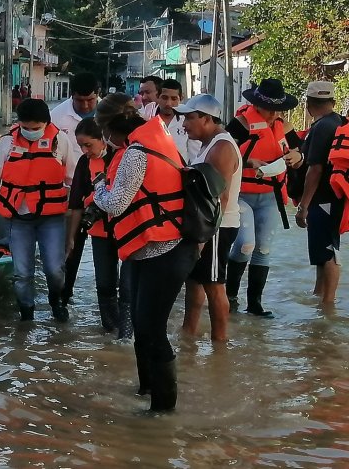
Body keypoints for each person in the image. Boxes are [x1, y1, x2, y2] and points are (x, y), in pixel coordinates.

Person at [93, 111, 197, 412]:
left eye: (106, 134)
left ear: (114, 132)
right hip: (150, 248)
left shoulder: (136, 153)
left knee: (152, 329)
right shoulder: (161, 140)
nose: (105, 141)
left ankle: (163, 411)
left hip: (165, 250)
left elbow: (116, 202)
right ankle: (146, 390)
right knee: (142, 325)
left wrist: (98, 188)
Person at [0, 99, 74, 323]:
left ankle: (56, 301)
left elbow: (72, 176)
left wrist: (76, 206)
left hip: (51, 218)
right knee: (22, 273)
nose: (30, 132)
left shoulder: (60, 141)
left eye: (36, 128)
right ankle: (26, 315)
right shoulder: (8, 142)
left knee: (54, 269)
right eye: (26, 128)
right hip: (18, 217)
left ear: (46, 124)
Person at [224, 79, 304, 317]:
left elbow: (301, 154)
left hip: (270, 196)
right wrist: (248, 162)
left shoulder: (285, 126)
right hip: (242, 195)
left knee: (264, 248)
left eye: (277, 110)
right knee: (246, 244)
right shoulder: (239, 124)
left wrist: (295, 157)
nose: (272, 115)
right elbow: (222, 154)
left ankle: (255, 304)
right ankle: (229, 296)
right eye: (268, 109)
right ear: (256, 105)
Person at [177, 95, 242, 342]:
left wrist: (205, 236)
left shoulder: (222, 147)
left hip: (217, 226)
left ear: (207, 119)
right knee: (194, 284)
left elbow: (221, 198)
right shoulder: (209, 143)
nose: (184, 124)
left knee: (214, 286)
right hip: (205, 226)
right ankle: (188, 336)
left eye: (190, 118)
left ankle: (220, 344)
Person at [66, 117, 130, 338]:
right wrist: (71, 238)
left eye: (88, 145)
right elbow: (75, 204)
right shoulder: (85, 163)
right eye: (81, 146)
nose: (84, 151)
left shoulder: (125, 157)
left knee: (129, 286)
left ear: (103, 139)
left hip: (128, 231)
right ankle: (110, 331)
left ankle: (127, 333)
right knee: (105, 284)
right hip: (101, 233)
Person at [51, 72, 99, 306]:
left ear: (97, 95)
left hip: (104, 188)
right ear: (72, 96)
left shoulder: (107, 116)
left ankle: (108, 296)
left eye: (90, 100)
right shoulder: (58, 117)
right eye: (80, 100)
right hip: (71, 190)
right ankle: (64, 294)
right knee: (70, 245)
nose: (86, 105)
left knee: (106, 246)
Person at [295, 81, 345, 304]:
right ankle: (319, 295)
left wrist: (303, 206)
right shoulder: (337, 122)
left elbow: (315, 169)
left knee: (329, 251)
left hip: (324, 198)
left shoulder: (322, 127)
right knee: (321, 249)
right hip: (334, 197)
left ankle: (328, 304)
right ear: (332, 102)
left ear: (308, 104)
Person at [143, 79, 200, 161]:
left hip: (179, 172)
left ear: (181, 98)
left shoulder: (187, 121)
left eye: (174, 99)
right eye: (164, 98)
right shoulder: (148, 114)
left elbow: (195, 155)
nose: (168, 103)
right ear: (157, 96)